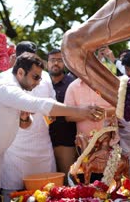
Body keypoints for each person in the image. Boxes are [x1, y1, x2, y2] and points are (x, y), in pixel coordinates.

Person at [0, 52, 104, 202]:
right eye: (35, 77)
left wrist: (24, 118)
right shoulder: (6, 87)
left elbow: (25, 124)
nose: (38, 83)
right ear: (20, 72)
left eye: (40, 78)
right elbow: (41, 104)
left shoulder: (16, 88)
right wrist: (81, 111)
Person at [0, 42, 56, 201]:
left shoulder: (45, 77)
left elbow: (52, 103)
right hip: (15, 145)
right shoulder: (6, 78)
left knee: (47, 192)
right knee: (12, 192)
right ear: (16, 58)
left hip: (41, 142)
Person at [64, 77, 116, 182]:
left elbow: (120, 108)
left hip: (110, 143)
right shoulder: (73, 87)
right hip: (85, 147)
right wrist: (86, 114)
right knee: (88, 180)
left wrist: (104, 113)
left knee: (112, 180)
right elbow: (68, 116)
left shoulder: (108, 83)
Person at [47, 49, 78, 185]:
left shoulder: (72, 84)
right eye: (52, 60)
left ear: (65, 63)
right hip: (44, 141)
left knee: (67, 182)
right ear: (47, 63)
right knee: (48, 184)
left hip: (65, 141)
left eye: (59, 60)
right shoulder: (41, 83)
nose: (55, 63)